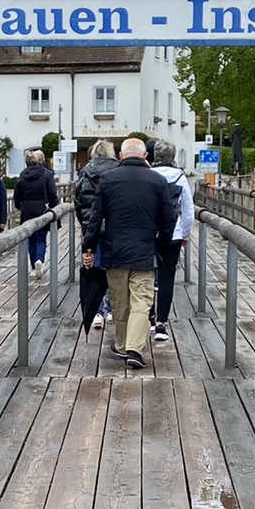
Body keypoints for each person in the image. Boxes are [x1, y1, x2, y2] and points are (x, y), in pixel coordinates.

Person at [80, 136, 177, 370]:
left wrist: (88, 248)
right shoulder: (158, 180)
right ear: (145, 156)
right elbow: (169, 219)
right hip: (144, 251)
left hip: (115, 251)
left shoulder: (108, 180)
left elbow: (95, 218)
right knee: (141, 302)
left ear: (121, 155)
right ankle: (134, 349)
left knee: (120, 302)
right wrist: (161, 245)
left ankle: (123, 346)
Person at [148, 139, 195, 343]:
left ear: (155, 155)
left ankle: (149, 316)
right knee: (167, 277)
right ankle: (161, 323)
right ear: (173, 156)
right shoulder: (180, 177)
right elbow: (188, 211)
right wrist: (184, 235)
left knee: (146, 276)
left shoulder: (148, 175)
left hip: (149, 233)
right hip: (173, 234)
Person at [75, 139, 116, 327]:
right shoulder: (118, 171)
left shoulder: (84, 173)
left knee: (95, 267)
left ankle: (97, 312)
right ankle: (112, 309)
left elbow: (78, 202)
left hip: (92, 227)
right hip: (115, 227)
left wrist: (85, 224)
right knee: (114, 269)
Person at [12, 148, 59, 275]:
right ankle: (40, 259)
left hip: (27, 208)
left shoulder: (22, 175)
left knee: (30, 237)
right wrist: (54, 206)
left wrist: (18, 205)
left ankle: (33, 265)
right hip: (41, 207)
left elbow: (17, 194)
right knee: (41, 237)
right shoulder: (45, 174)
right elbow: (52, 192)